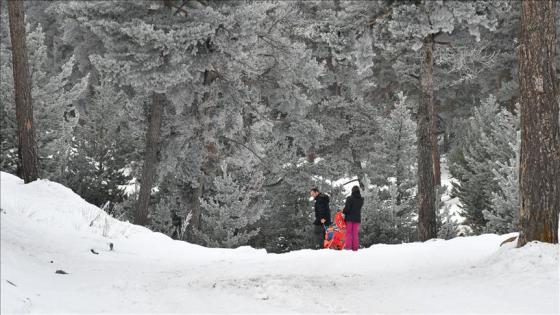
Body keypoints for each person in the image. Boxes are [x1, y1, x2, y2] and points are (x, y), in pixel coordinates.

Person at [341, 185, 364, 251]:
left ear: (352, 191)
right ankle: (355, 248)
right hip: (357, 219)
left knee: (349, 233)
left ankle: (348, 247)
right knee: (355, 233)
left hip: (349, 219)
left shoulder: (349, 198)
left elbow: (347, 209)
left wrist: (343, 211)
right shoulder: (361, 199)